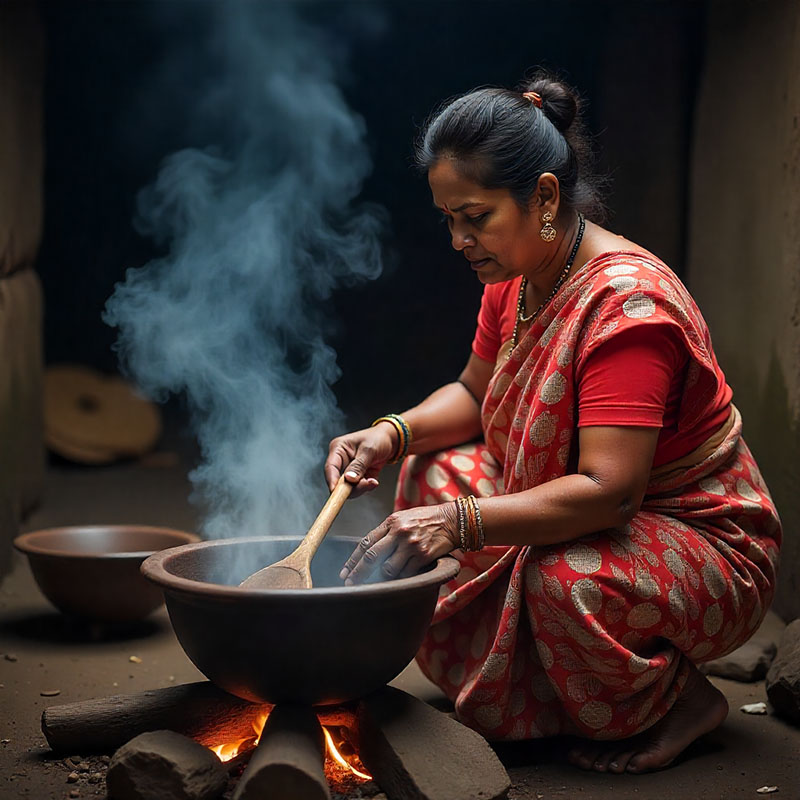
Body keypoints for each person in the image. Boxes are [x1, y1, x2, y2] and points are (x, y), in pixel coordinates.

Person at [324, 72, 781, 774]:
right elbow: (476, 394)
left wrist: (459, 521)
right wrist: (391, 433)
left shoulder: (629, 310)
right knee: (433, 470)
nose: (458, 239)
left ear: (542, 196)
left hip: (696, 535)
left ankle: (680, 700)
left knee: (560, 576)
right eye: (448, 218)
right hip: (596, 507)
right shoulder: (519, 274)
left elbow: (611, 493)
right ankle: (547, 688)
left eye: (474, 217)